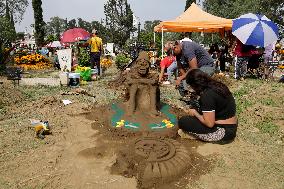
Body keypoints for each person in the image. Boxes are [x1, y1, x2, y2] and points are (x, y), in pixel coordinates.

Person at [178, 69, 238, 143]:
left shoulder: (207, 95)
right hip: (231, 125)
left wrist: (195, 114)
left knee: (183, 121)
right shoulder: (217, 85)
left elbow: (210, 124)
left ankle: (194, 135)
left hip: (224, 132)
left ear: (195, 85)